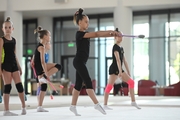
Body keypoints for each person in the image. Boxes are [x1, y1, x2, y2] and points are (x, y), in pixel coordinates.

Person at [69, 8, 119, 116]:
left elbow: (97, 34)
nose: (88, 24)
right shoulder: (79, 34)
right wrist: (111, 32)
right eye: (86, 22)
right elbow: (96, 34)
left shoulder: (85, 34)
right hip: (78, 62)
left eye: (88, 22)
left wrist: (111, 34)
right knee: (88, 81)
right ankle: (96, 104)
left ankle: (72, 106)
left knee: (78, 85)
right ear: (79, 22)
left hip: (81, 62)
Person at [103, 28, 141, 110]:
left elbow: (124, 60)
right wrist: (120, 72)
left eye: (122, 36)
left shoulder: (121, 48)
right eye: (119, 36)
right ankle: (105, 105)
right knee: (109, 86)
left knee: (131, 82)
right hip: (114, 69)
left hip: (120, 69)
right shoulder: (115, 47)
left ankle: (133, 102)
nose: (121, 37)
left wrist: (128, 71)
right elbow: (117, 60)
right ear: (115, 37)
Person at [0, 17, 27, 116]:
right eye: (5, 27)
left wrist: (19, 66)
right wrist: (0, 68)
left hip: (14, 64)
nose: (7, 29)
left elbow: (15, 54)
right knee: (7, 87)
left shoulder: (14, 40)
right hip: (6, 65)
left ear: (12, 29)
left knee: (20, 86)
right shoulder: (1, 40)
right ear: (3, 29)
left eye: (9, 27)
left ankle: (23, 107)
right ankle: (6, 110)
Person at [33, 26, 62, 112]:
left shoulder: (41, 46)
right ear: (45, 36)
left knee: (44, 87)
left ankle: (39, 107)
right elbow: (42, 62)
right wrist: (46, 73)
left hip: (39, 67)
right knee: (59, 66)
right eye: (49, 36)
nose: (50, 37)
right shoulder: (41, 47)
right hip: (40, 67)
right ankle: (44, 77)